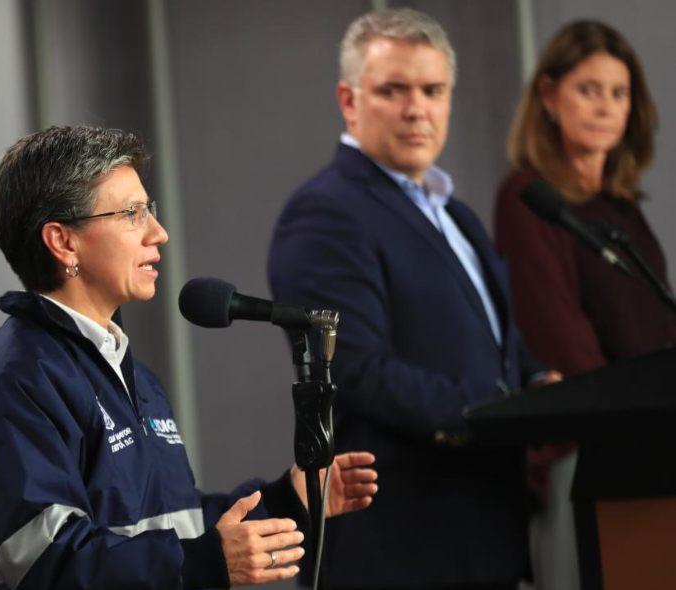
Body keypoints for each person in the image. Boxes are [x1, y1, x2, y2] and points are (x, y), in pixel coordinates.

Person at [0, 125, 378, 589]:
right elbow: (50, 566)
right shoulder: (11, 386)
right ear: (63, 242)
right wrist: (203, 564)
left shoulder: (128, 374)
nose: (158, 234)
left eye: (150, 211)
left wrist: (285, 501)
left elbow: (170, 527)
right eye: (132, 213)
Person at [268, 8, 558, 589]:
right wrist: (499, 416)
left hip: (482, 530)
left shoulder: (455, 212)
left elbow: (494, 340)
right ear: (349, 101)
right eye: (392, 90)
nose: (416, 108)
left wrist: (541, 385)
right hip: (397, 545)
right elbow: (357, 368)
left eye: (432, 90)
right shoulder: (325, 212)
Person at [494, 20, 676, 590]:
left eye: (618, 93)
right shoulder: (530, 199)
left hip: (654, 445)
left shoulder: (622, 208)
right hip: (587, 454)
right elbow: (556, 335)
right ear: (548, 97)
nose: (605, 107)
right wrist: (641, 415)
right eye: (587, 89)